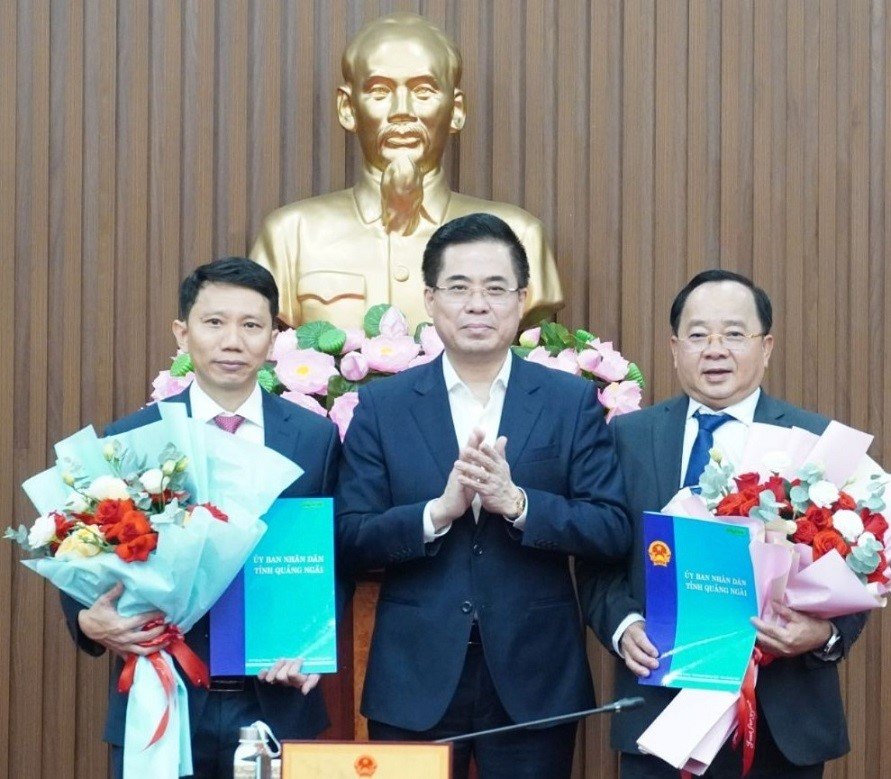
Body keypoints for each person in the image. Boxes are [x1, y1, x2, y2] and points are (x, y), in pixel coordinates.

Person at [336, 212, 629, 778]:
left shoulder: (570, 402)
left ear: (521, 301)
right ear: (430, 298)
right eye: (459, 287)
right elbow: (349, 536)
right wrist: (436, 513)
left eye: (496, 289)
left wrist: (519, 504)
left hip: (534, 679)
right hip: (414, 675)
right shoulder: (383, 407)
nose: (478, 304)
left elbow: (611, 528)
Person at [577, 269, 867, 778]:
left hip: (782, 723)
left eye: (734, 334)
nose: (715, 349)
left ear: (766, 346)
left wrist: (822, 634)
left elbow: (860, 562)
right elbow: (598, 562)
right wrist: (623, 628)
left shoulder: (817, 443)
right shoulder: (625, 438)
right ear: (673, 347)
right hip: (660, 718)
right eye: (697, 335)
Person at [60, 257, 342, 778]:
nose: (232, 341)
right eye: (214, 322)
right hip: (160, 691)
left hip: (274, 703)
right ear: (182, 332)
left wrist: (309, 644)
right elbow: (87, 547)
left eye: (251, 325)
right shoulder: (132, 438)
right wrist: (86, 620)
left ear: (273, 338)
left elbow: (331, 552)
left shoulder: (313, 437)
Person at [250, 12, 562, 331]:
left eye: (423, 92)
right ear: (347, 108)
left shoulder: (518, 235)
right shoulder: (291, 235)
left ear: (456, 110)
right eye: (380, 92)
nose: (402, 111)